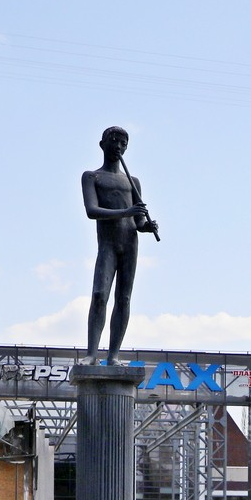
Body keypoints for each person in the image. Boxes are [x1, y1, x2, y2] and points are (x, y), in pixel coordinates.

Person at [82, 126, 158, 361]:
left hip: (130, 244)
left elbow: (139, 220)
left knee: (124, 298)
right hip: (108, 245)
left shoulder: (132, 181)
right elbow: (92, 211)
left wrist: (148, 226)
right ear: (102, 144)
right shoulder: (92, 176)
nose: (118, 146)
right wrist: (127, 211)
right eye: (114, 140)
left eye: (123, 143)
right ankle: (92, 353)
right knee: (99, 295)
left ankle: (113, 354)